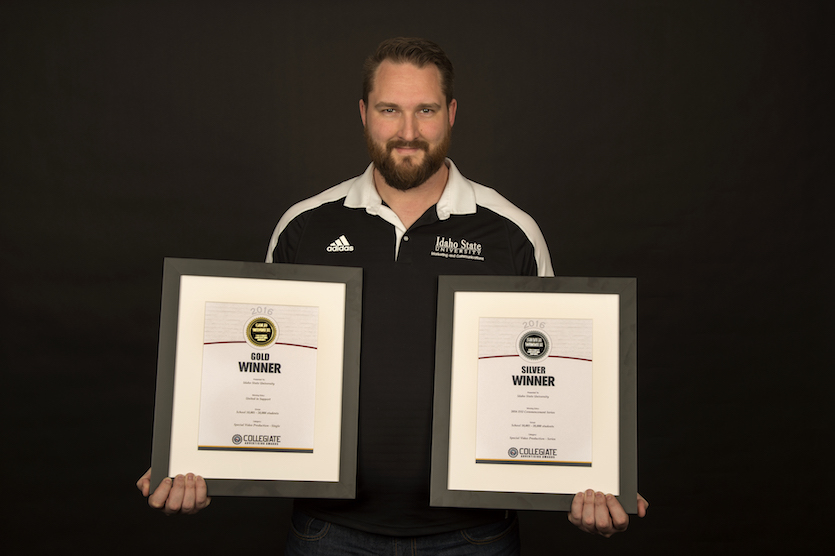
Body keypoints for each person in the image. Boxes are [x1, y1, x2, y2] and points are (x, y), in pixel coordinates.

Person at [137, 37, 648, 553]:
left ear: (450, 113)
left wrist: (590, 483)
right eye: (389, 110)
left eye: (425, 110)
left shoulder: (512, 232)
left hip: (475, 537)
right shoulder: (305, 227)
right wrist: (193, 457)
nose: (408, 132)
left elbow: (556, 381)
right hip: (328, 533)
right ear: (363, 113)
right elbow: (256, 364)